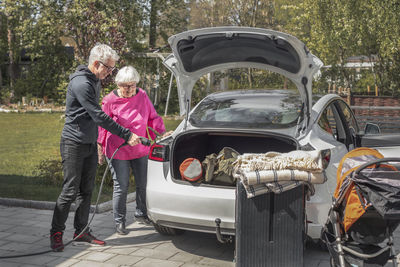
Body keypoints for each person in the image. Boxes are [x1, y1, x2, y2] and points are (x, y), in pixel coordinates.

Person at [50, 44, 141, 252]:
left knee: (86, 190)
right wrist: (126, 134)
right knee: (70, 190)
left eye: (112, 69)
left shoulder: (94, 80)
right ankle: (56, 233)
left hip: (88, 142)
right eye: (108, 68)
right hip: (73, 143)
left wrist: (98, 143)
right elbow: (98, 116)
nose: (110, 73)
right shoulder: (82, 83)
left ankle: (81, 233)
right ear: (95, 64)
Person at [97, 66, 168, 235]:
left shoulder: (142, 95)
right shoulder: (109, 101)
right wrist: (100, 146)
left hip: (140, 148)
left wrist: (163, 133)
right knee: (121, 185)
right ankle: (119, 221)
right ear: (117, 84)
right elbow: (102, 126)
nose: (128, 89)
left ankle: (141, 213)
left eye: (132, 85)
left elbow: (152, 117)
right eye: (124, 85)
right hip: (118, 149)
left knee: (143, 183)